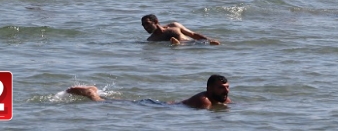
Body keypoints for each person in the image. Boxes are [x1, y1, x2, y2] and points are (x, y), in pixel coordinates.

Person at [66, 74, 231, 109]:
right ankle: (91, 93)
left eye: (227, 87)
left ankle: (96, 92)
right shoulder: (205, 101)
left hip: (162, 105)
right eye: (221, 87)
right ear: (209, 89)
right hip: (160, 108)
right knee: (101, 103)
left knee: (123, 102)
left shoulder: (221, 98)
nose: (225, 91)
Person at [141, 14, 220, 44]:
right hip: (181, 49)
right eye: (143, 25)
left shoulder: (174, 25)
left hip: (194, 44)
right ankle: (177, 44)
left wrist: (209, 40)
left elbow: (193, 34)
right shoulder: (151, 40)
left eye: (147, 23)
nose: (145, 27)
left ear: (155, 21)